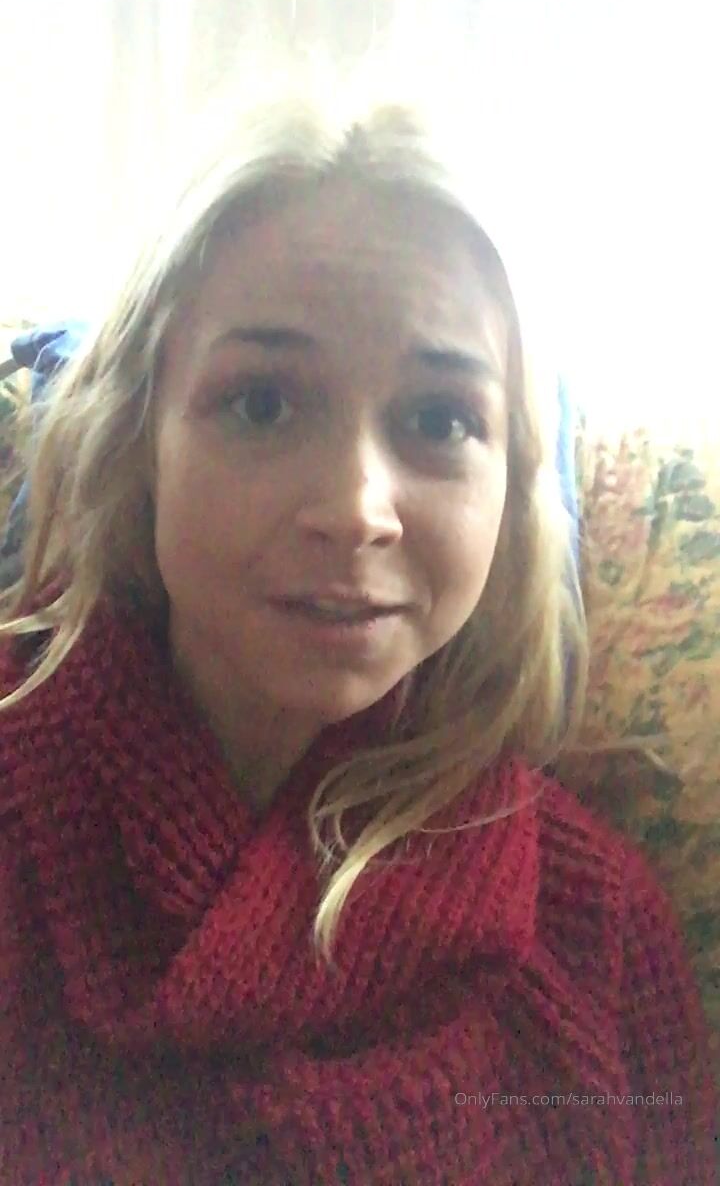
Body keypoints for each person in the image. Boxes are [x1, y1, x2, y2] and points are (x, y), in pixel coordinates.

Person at [0, 68, 716, 1185]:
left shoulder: (600, 934)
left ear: (511, 487)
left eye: (439, 419)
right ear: (138, 440)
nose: (354, 508)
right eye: (262, 403)